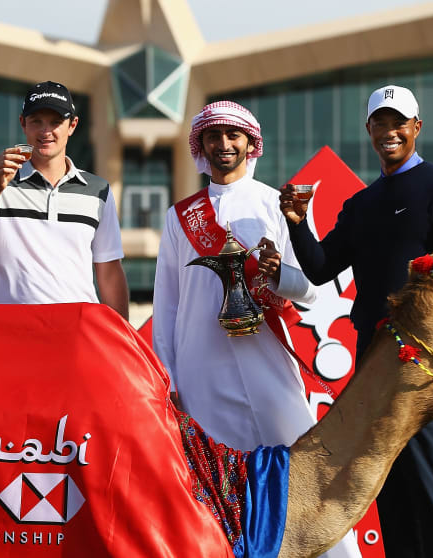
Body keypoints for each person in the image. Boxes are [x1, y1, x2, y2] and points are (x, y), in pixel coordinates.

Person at [280, 84, 433, 558]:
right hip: (373, 359)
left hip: (422, 365)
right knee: (384, 475)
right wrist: (295, 221)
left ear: (416, 128)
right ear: (369, 130)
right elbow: (321, 266)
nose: (389, 132)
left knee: (426, 471)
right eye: (380, 123)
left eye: (398, 123)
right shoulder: (361, 204)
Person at [153, 101, 360, 558]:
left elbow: (311, 289)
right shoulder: (179, 216)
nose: (224, 145)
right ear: (201, 146)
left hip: (266, 362)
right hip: (199, 368)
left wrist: (276, 275)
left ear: (250, 143)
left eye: (233, 136)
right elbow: (166, 306)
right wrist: (166, 377)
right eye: (213, 137)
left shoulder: (275, 204)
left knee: (304, 473)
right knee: (209, 482)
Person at [0, 81, 129, 319]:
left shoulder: (98, 190)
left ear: (72, 125)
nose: (46, 131)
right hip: (14, 330)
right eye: (37, 121)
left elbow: (109, 273)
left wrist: (124, 342)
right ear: (23, 124)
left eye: (56, 122)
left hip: (78, 331)